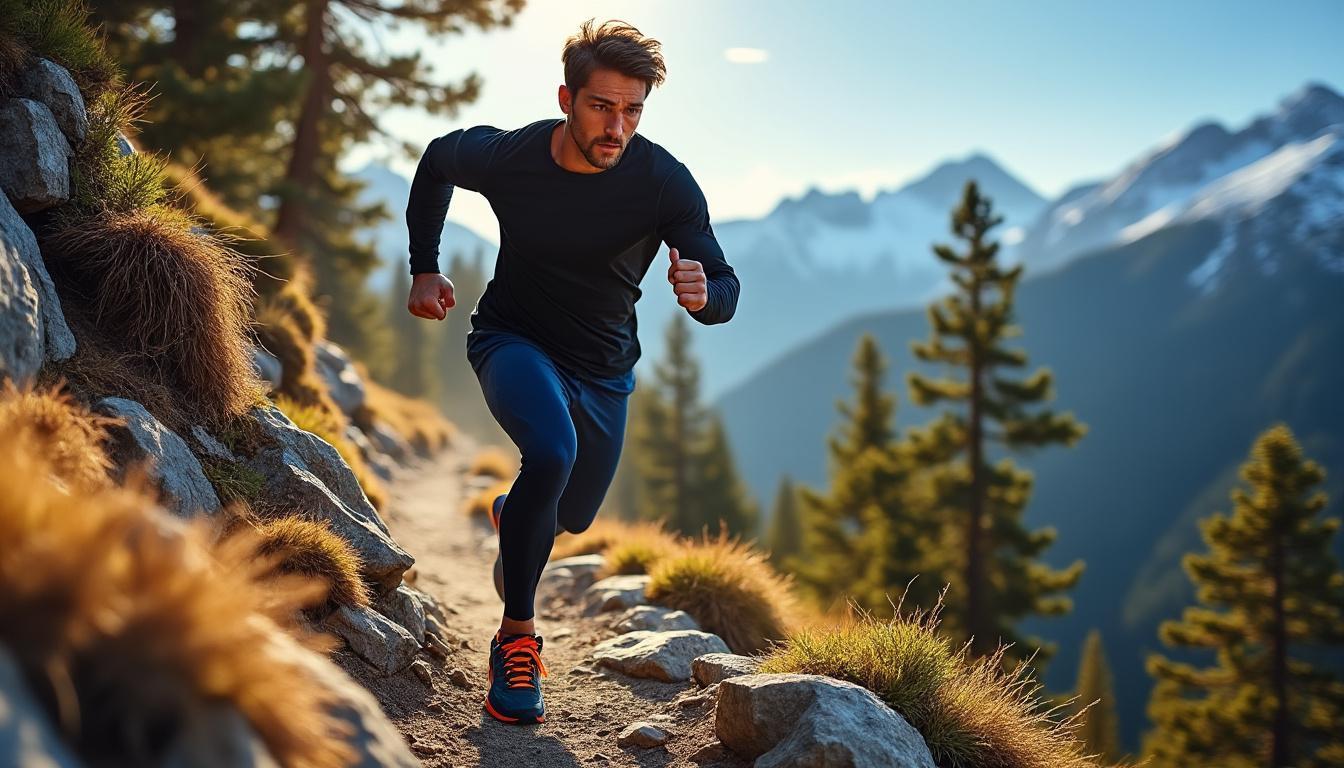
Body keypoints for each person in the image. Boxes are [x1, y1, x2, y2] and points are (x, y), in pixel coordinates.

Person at [402, 18, 740, 725]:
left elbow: (724, 283)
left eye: (632, 110)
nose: (617, 127)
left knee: (571, 515)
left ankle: (516, 514)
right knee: (550, 453)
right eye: (601, 106)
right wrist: (426, 266)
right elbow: (436, 161)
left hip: (605, 370)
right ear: (567, 98)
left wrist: (706, 297)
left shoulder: (662, 182)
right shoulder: (511, 157)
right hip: (512, 340)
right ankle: (516, 641)